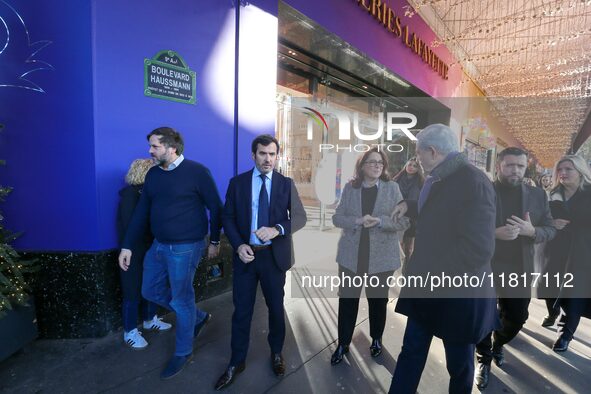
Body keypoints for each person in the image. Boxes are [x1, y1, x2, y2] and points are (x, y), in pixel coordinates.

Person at [389, 124, 499, 394]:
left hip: (456, 295)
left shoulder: (474, 182)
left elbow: (478, 249)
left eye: (418, 153)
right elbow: (439, 213)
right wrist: (411, 206)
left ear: (433, 151)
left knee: (459, 365)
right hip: (426, 290)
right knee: (411, 352)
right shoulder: (439, 176)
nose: (417, 160)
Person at [118, 127, 223, 379]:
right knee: (148, 291)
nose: (149, 151)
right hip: (159, 245)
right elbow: (142, 212)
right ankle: (196, 317)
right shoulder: (153, 174)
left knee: (181, 299)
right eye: (151, 146)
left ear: (171, 148)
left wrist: (216, 240)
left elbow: (216, 208)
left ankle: (183, 352)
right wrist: (127, 245)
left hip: (187, 246)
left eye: (154, 146)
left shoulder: (198, 172)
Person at [214, 134, 307, 390]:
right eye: (263, 154)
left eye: (272, 154)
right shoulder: (238, 183)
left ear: (277, 156)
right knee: (241, 311)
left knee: (276, 309)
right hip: (246, 256)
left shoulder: (286, 184)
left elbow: (299, 217)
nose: (268, 159)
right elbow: (228, 217)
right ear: (253, 155)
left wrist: (277, 228)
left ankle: (276, 353)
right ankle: (237, 361)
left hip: (273, 259)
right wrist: (239, 244)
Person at [474, 147, 555, 390]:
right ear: (498, 165)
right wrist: (493, 234)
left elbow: (550, 228)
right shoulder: (482, 190)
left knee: (517, 317)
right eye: (510, 165)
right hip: (484, 265)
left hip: (519, 268)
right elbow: (463, 226)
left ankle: (498, 343)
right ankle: (484, 358)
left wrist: (532, 232)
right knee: (482, 316)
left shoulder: (538, 195)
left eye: (520, 166)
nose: (515, 170)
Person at [330, 148, 409, 365]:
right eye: (372, 162)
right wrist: (356, 221)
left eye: (381, 163)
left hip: (381, 258)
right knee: (347, 301)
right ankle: (343, 343)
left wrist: (381, 221)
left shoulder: (393, 189)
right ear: (362, 165)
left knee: (377, 301)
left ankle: (376, 339)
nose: (377, 165)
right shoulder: (350, 187)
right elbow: (337, 218)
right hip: (351, 257)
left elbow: (404, 222)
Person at [116, 158, 172, 349]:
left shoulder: (147, 195)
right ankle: (129, 332)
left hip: (150, 249)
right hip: (133, 252)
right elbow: (129, 226)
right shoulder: (131, 196)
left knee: (151, 286)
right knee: (132, 292)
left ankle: (150, 320)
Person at [543, 155, 591, 352]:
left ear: (580, 171)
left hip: (583, 250)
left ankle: (566, 334)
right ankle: (554, 310)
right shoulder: (552, 194)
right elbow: (542, 218)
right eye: (560, 169)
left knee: (574, 293)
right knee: (550, 288)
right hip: (557, 248)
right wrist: (552, 223)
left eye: (568, 169)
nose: (562, 173)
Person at [392, 157, 424, 267]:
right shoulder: (396, 180)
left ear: (418, 169)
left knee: (409, 248)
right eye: (409, 164)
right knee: (397, 245)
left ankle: (407, 271)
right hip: (397, 217)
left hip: (412, 220)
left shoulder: (420, 182)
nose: (411, 167)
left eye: (415, 166)